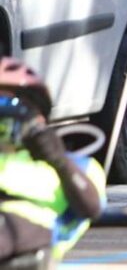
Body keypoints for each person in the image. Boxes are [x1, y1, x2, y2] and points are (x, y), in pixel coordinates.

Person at [0, 58, 105, 263]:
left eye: (8, 105)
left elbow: (90, 208)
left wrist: (58, 160)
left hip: (24, 229)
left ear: (36, 116)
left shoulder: (79, 166)